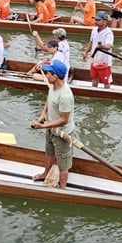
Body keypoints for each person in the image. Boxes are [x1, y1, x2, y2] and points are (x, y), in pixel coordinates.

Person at [30, 60, 75, 189]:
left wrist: (43, 126)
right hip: (51, 128)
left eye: (48, 73)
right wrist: (43, 114)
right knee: (49, 152)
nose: (46, 75)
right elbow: (49, 100)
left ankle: (62, 188)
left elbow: (64, 119)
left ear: (55, 76)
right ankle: (45, 173)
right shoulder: (53, 86)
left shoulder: (65, 96)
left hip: (62, 133)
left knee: (63, 164)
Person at [83, 11, 114, 88]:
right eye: (95, 19)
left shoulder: (108, 33)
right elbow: (91, 42)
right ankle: (94, 90)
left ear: (105, 21)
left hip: (105, 62)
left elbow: (109, 46)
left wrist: (102, 46)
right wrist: (86, 52)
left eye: (98, 20)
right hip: (94, 59)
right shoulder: (94, 30)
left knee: (106, 82)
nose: (95, 21)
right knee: (94, 78)